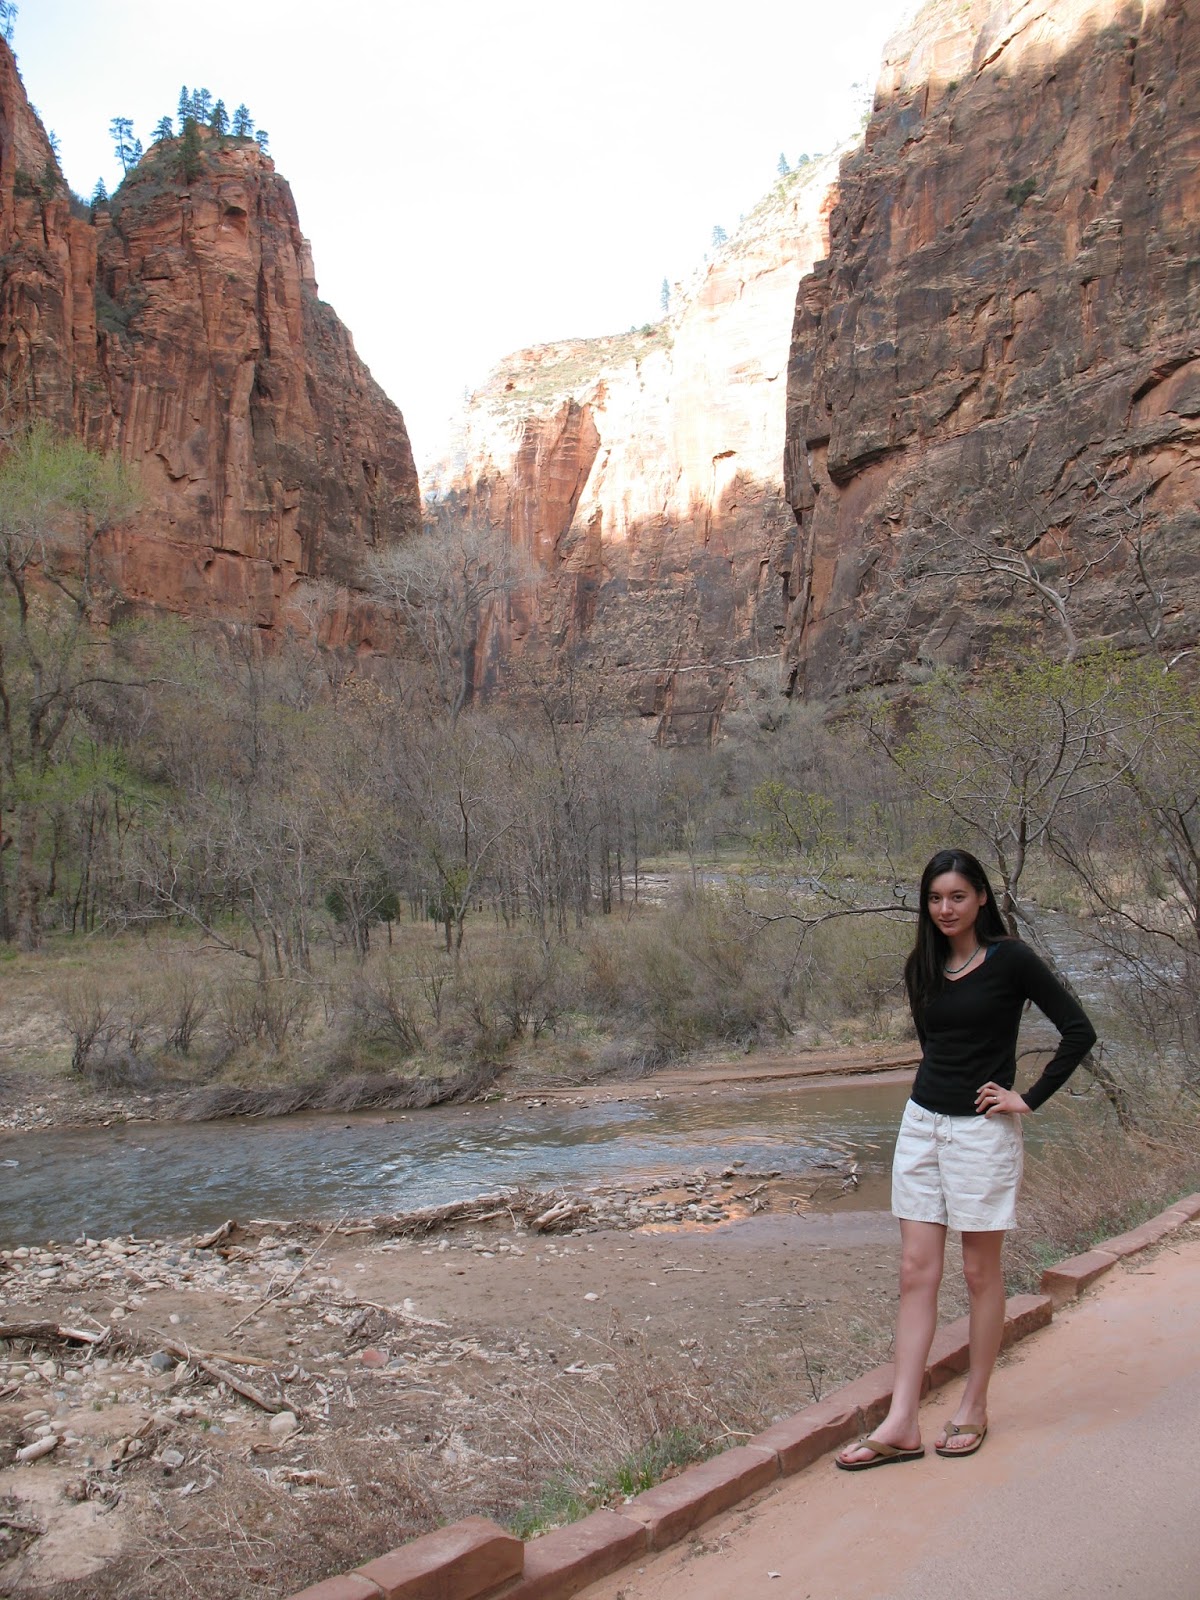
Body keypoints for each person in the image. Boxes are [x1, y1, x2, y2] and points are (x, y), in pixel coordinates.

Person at [836, 847, 1097, 1469]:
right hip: (921, 1126)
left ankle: (974, 1405)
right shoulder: (922, 965)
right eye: (935, 898)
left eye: (957, 896)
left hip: (982, 1134)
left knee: (980, 1274)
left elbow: (1078, 1030)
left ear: (982, 896)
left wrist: (1025, 1098)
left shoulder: (1012, 961)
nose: (946, 908)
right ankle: (901, 1421)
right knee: (914, 1272)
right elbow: (937, 1049)